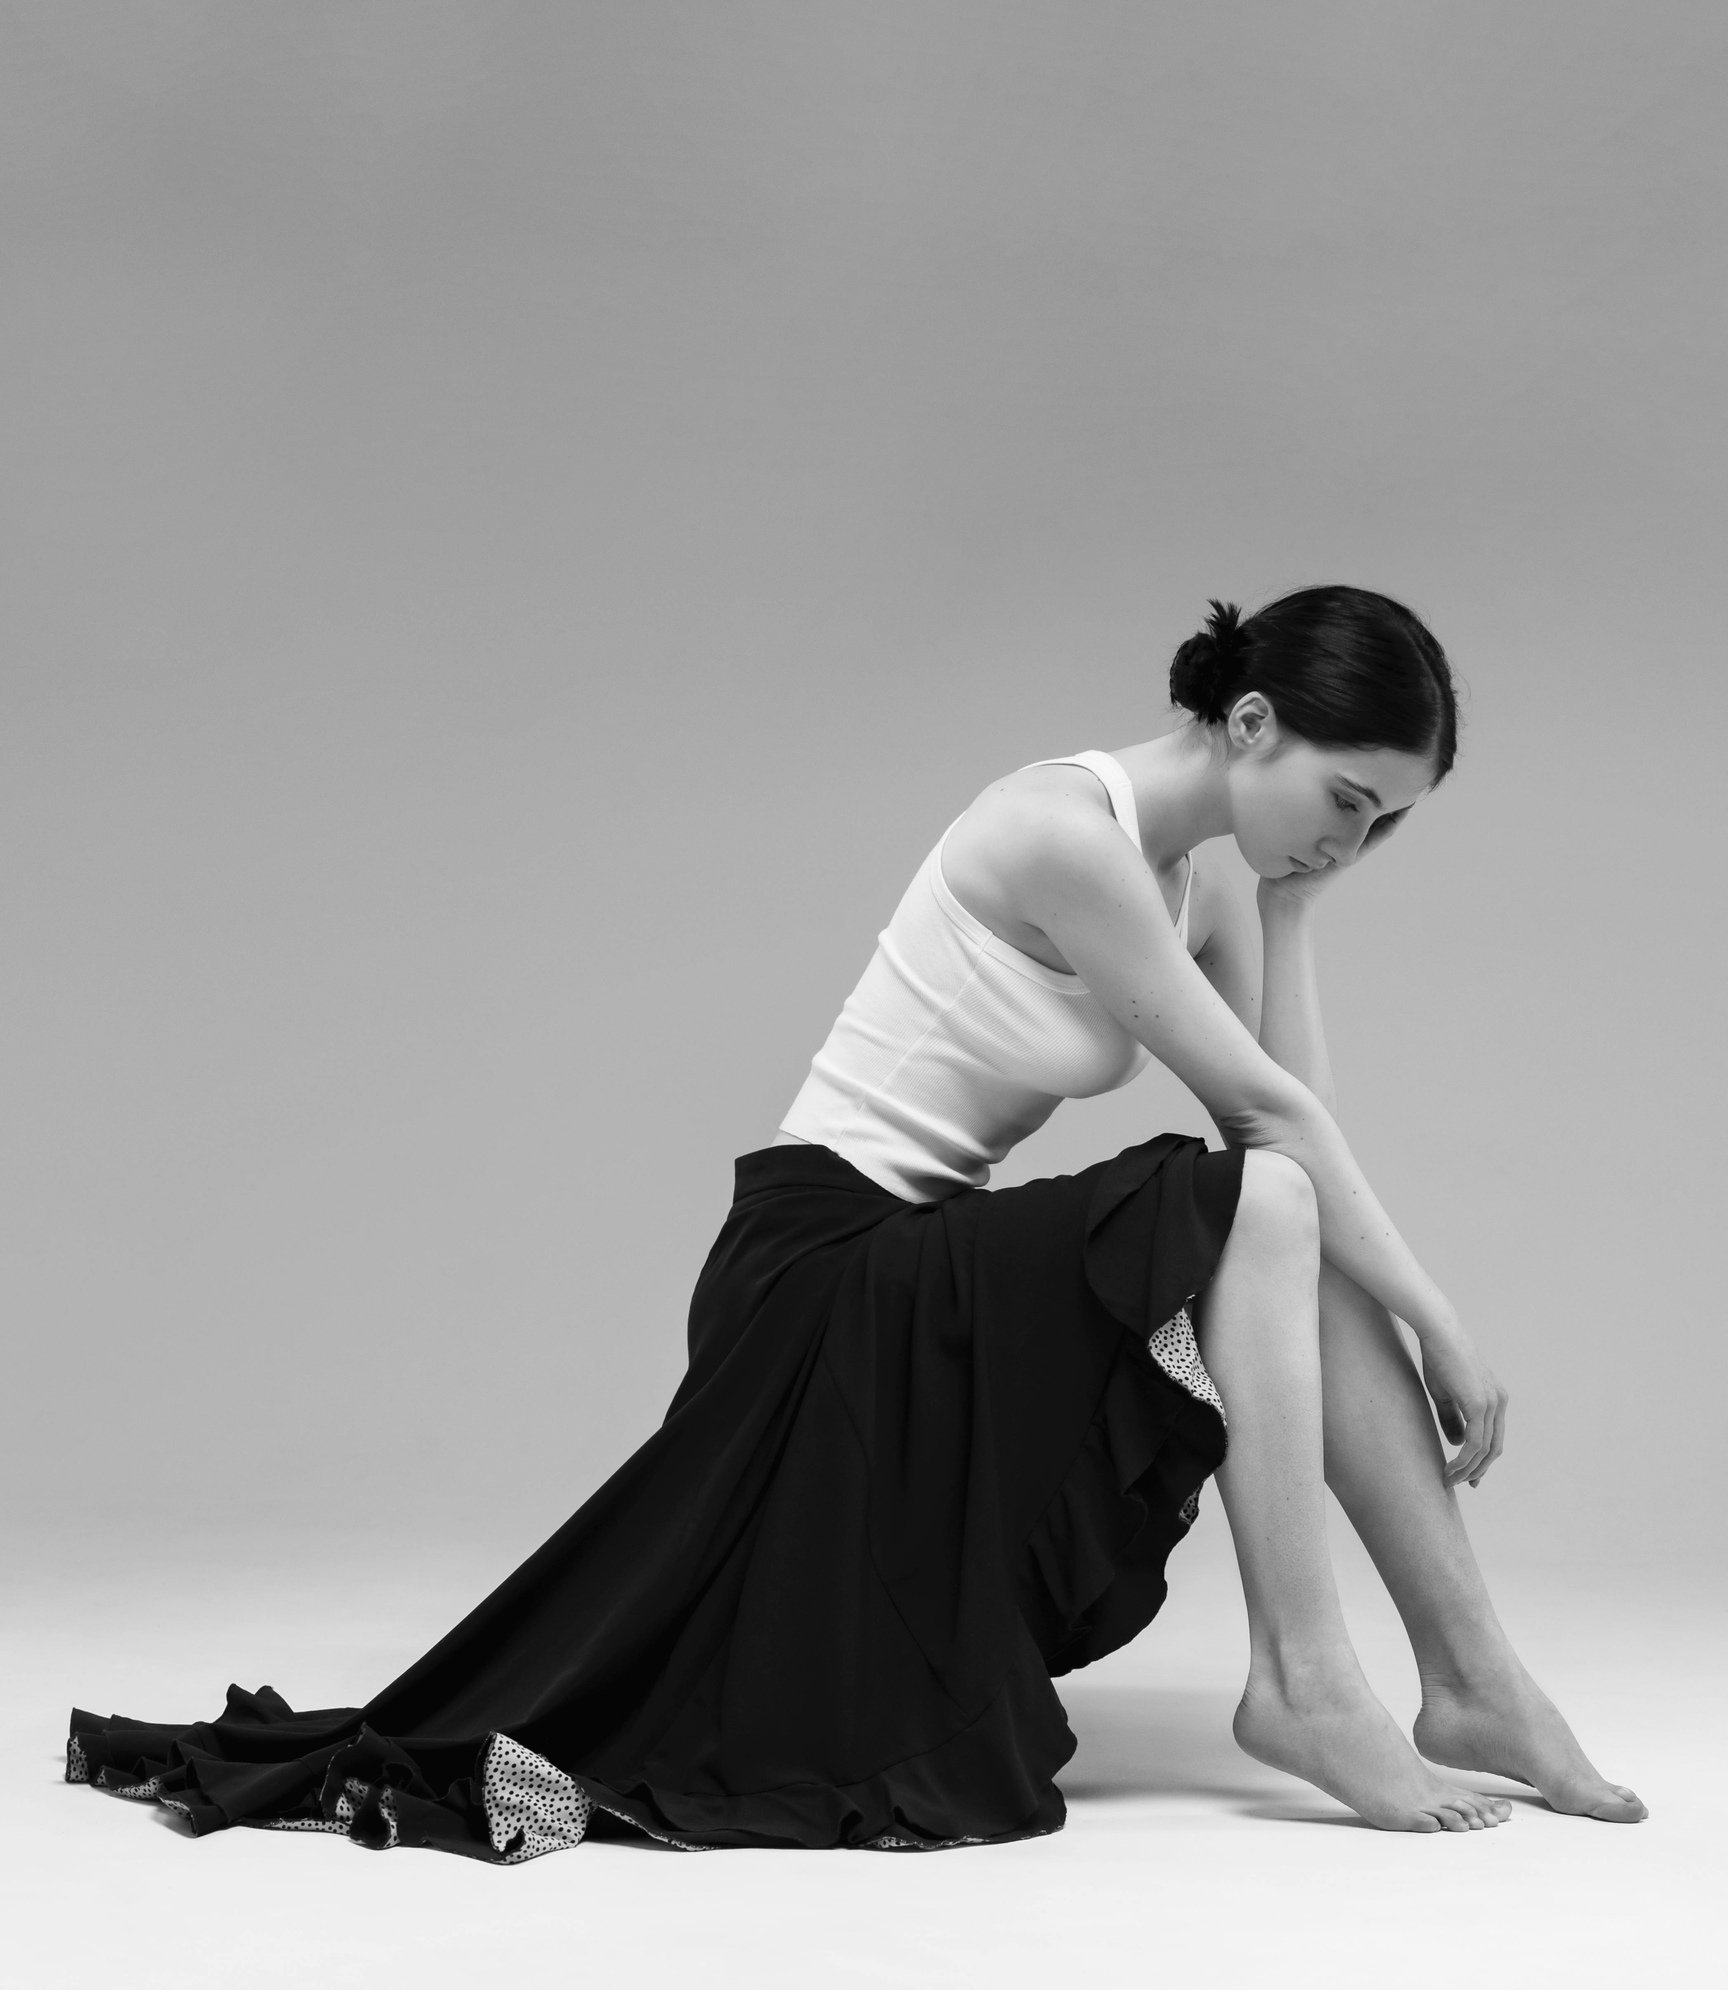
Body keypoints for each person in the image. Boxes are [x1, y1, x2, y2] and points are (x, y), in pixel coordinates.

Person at [67, 585, 1643, 1861]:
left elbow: (1293, 1126)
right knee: (1271, 1207)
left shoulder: (1206, 883)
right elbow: (1278, 1141)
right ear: (1249, 723)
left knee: (1285, 1225)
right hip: (819, 1279)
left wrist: (1289, 909)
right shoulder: (1062, 835)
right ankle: (1306, 1682)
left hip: (924, 1278)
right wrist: (1447, 1326)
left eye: (1384, 827)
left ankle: (1470, 1678)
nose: (1349, 844)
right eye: (1345, 801)